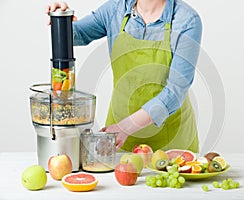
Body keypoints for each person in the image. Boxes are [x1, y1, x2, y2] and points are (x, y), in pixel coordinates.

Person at [45, 0, 202, 152]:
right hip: (119, 140)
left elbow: (176, 91)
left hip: (170, 143)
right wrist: (60, 19)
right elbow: (75, 35)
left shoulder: (187, 20)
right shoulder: (115, 9)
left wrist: (125, 127)